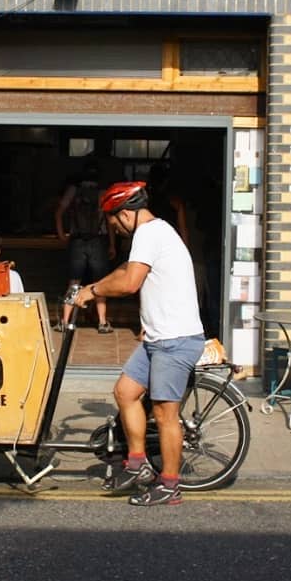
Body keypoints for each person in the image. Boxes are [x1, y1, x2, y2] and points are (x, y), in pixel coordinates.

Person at [73, 180, 205, 507]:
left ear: (125, 214)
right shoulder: (153, 232)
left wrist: (94, 291)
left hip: (175, 340)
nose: (115, 229)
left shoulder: (149, 233)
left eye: (114, 222)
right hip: (158, 339)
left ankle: (170, 486)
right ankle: (138, 464)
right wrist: (94, 285)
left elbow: (130, 283)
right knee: (125, 392)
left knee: (164, 414)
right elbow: (125, 270)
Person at [54, 160, 114, 333]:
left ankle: (64, 322)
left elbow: (59, 212)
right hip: (98, 240)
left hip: (77, 241)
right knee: (100, 282)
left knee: (74, 282)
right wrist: (111, 244)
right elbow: (109, 221)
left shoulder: (74, 190)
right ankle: (102, 322)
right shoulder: (103, 192)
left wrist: (61, 235)